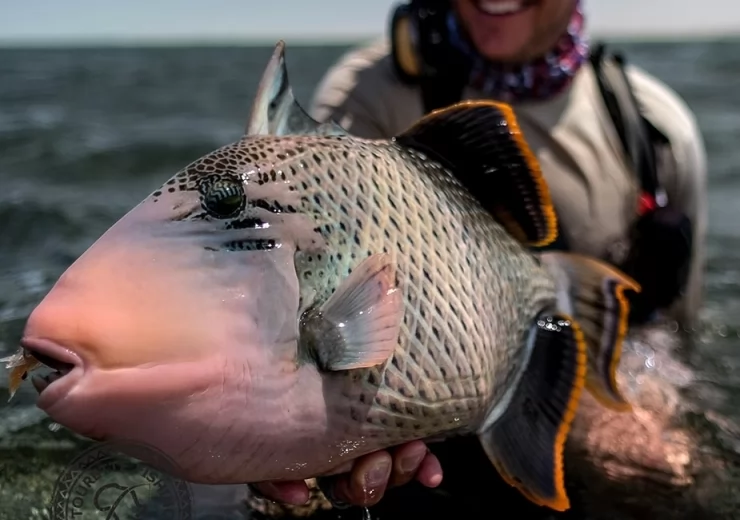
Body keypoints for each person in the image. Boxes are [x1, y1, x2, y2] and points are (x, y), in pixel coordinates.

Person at [251, 0, 708, 511]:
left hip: (570, 380)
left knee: (665, 468)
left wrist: (637, 398)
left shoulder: (653, 127)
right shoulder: (368, 95)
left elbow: (675, 335)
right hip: (427, 397)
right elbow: (309, 286)